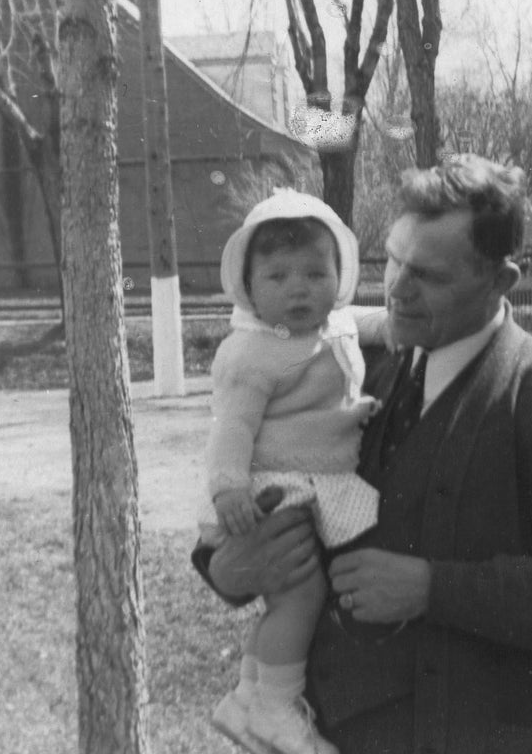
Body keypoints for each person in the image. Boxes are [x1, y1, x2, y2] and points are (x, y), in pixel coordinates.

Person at [194, 155, 532, 754]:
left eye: (429, 276)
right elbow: (252, 489)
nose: (399, 290)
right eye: (395, 261)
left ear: (501, 281)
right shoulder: (350, 371)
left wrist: (434, 587)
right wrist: (227, 570)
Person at [201, 189, 387, 754]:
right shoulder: (253, 353)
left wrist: (397, 324)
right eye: (278, 276)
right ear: (250, 291)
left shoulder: (330, 325)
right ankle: (279, 707)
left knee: (284, 600)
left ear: (340, 275)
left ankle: (251, 696)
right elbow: (231, 427)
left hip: (308, 479)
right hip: (271, 486)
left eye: (314, 272)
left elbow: (365, 322)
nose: (298, 288)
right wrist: (228, 486)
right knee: (299, 596)